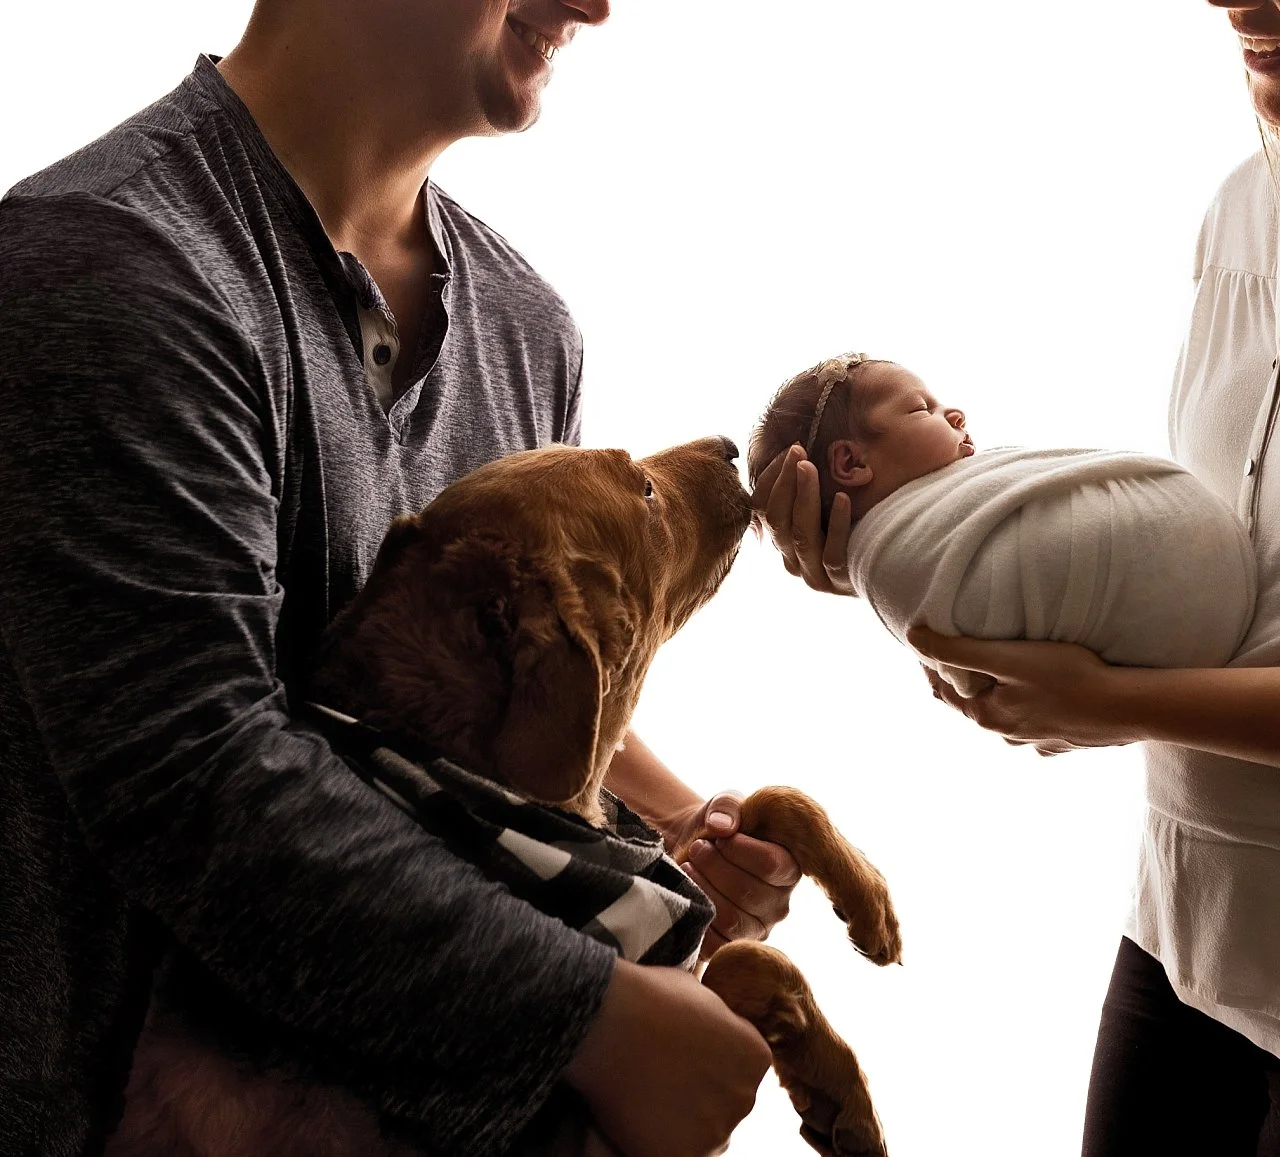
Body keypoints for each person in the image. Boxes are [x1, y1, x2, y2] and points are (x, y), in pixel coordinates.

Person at [0, 3, 803, 1155]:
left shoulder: (526, 329)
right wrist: (594, 1017)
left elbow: (474, 700)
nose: (595, 5)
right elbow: (188, 774)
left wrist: (665, 824)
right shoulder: (105, 265)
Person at [755, 0, 1280, 1151]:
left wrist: (1111, 703)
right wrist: (896, 557)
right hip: (1183, 930)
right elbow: (1229, 571)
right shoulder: (1244, 204)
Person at [747, 352, 1256, 695]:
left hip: (1205, 641)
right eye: (922, 407)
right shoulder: (895, 559)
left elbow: (971, 684)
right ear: (852, 464)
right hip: (1205, 621)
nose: (955, 413)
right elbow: (965, 658)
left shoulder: (961, 506)